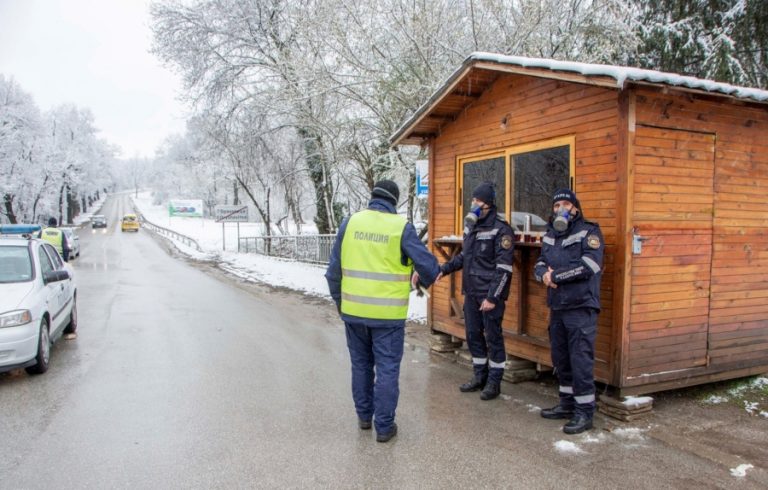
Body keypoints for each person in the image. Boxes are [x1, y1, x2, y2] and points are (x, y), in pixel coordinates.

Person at [325, 180, 440, 443]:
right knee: (387, 369)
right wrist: (416, 276)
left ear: (373, 197)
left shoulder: (349, 223)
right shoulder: (400, 228)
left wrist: (342, 304)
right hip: (388, 316)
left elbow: (333, 273)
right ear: (394, 202)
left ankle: (365, 417)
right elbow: (431, 269)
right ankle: (385, 428)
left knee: (361, 365)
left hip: (354, 312)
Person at [534, 188, 604, 435]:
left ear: (575, 208)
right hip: (558, 306)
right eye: (556, 205)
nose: (560, 209)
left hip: (581, 306)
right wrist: (543, 274)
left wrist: (557, 276)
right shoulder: (551, 234)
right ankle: (566, 404)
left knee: (580, 360)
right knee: (561, 358)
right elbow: (541, 262)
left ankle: (585, 413)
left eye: (565, 204)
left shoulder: (589, 231)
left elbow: (590, 265)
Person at [437, 182, 514, 401]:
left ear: (488, 204)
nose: (474, 204)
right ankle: (479, 376)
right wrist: (444, 269)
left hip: (490, 294)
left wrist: (493, 297)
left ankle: (494, 382)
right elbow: (464, 257)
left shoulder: (502, 229)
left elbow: (504, 268)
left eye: (478, 201)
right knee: (472, 335)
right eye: (473, 200)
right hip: (471, 292)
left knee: (493, 337)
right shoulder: (471, 227)